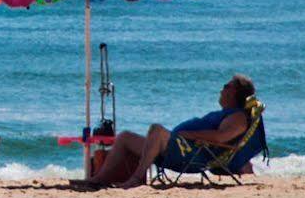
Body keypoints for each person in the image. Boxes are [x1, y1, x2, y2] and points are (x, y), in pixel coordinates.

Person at [78, 75, 259, 190]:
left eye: (226, 86)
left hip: (190, 155)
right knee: (125, 137)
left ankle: (135, 179)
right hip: (180, 149)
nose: (221, 89)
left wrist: (193, 135)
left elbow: (222, 138)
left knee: (156, 130)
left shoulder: (238, 117)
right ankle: (98, 179)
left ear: (235, 91)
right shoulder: (225, 113)